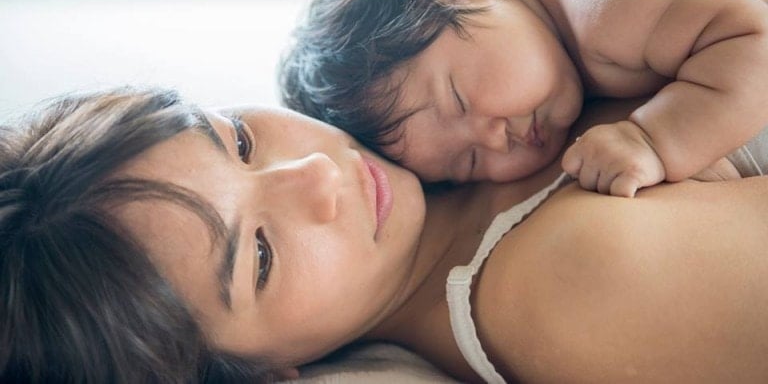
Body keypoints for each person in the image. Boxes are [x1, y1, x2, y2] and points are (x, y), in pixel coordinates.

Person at [4, 86, 768, 383]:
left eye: (237, 140)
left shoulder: (439, 101)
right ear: (268, 376)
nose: (316, 174)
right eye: (260, 256)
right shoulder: (569, 283)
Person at [279, 0, 768, 197]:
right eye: (467, 162)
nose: (495, 138)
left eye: (459, 99)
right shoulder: (549, 33)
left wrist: (656, 140)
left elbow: (755, 44)